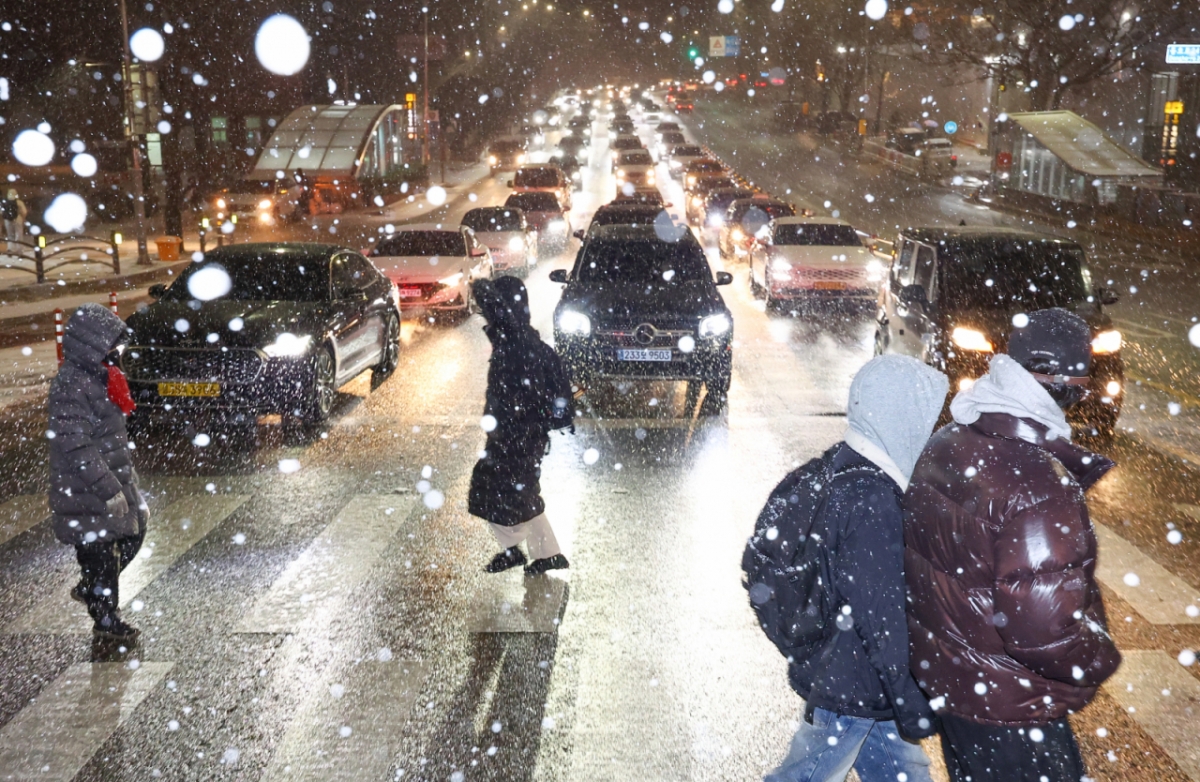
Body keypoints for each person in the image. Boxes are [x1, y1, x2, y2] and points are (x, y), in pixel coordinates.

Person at [904, 307, 1121, 782]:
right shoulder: (1038, 482)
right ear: (1067, 383)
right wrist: (1097, 655)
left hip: (958, 690)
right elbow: (1041, 629)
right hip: (1013, 707)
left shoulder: (949, 440)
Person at [762, 355, 948, 782]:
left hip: (851, 675)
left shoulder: (842, 464)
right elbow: (882, 615)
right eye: (924, 417)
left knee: (903, 773)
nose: (929, 430)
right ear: (898, 417)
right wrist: (912, 699)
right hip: (856, 684)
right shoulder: (873, 500)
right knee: (806, 774)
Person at [48, 303, 148, 641]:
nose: (116, 350)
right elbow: (75, 444)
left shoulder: (106, 377)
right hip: (85, 492)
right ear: (92, 345)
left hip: (113, 479)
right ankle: (106, 619)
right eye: (111, 343)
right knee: (101, 555)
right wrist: (108, 489)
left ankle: (92, 586)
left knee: (135, 532)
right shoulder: (70, 386)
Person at [468, 276, 570, 576]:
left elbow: (522, 394)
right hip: (519, 432)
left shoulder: (516, 342)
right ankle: (545, 553)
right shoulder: (517, 338)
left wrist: (512, 427)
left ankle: (517, 549)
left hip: (518, 433)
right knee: (519, 491)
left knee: (493, 490)